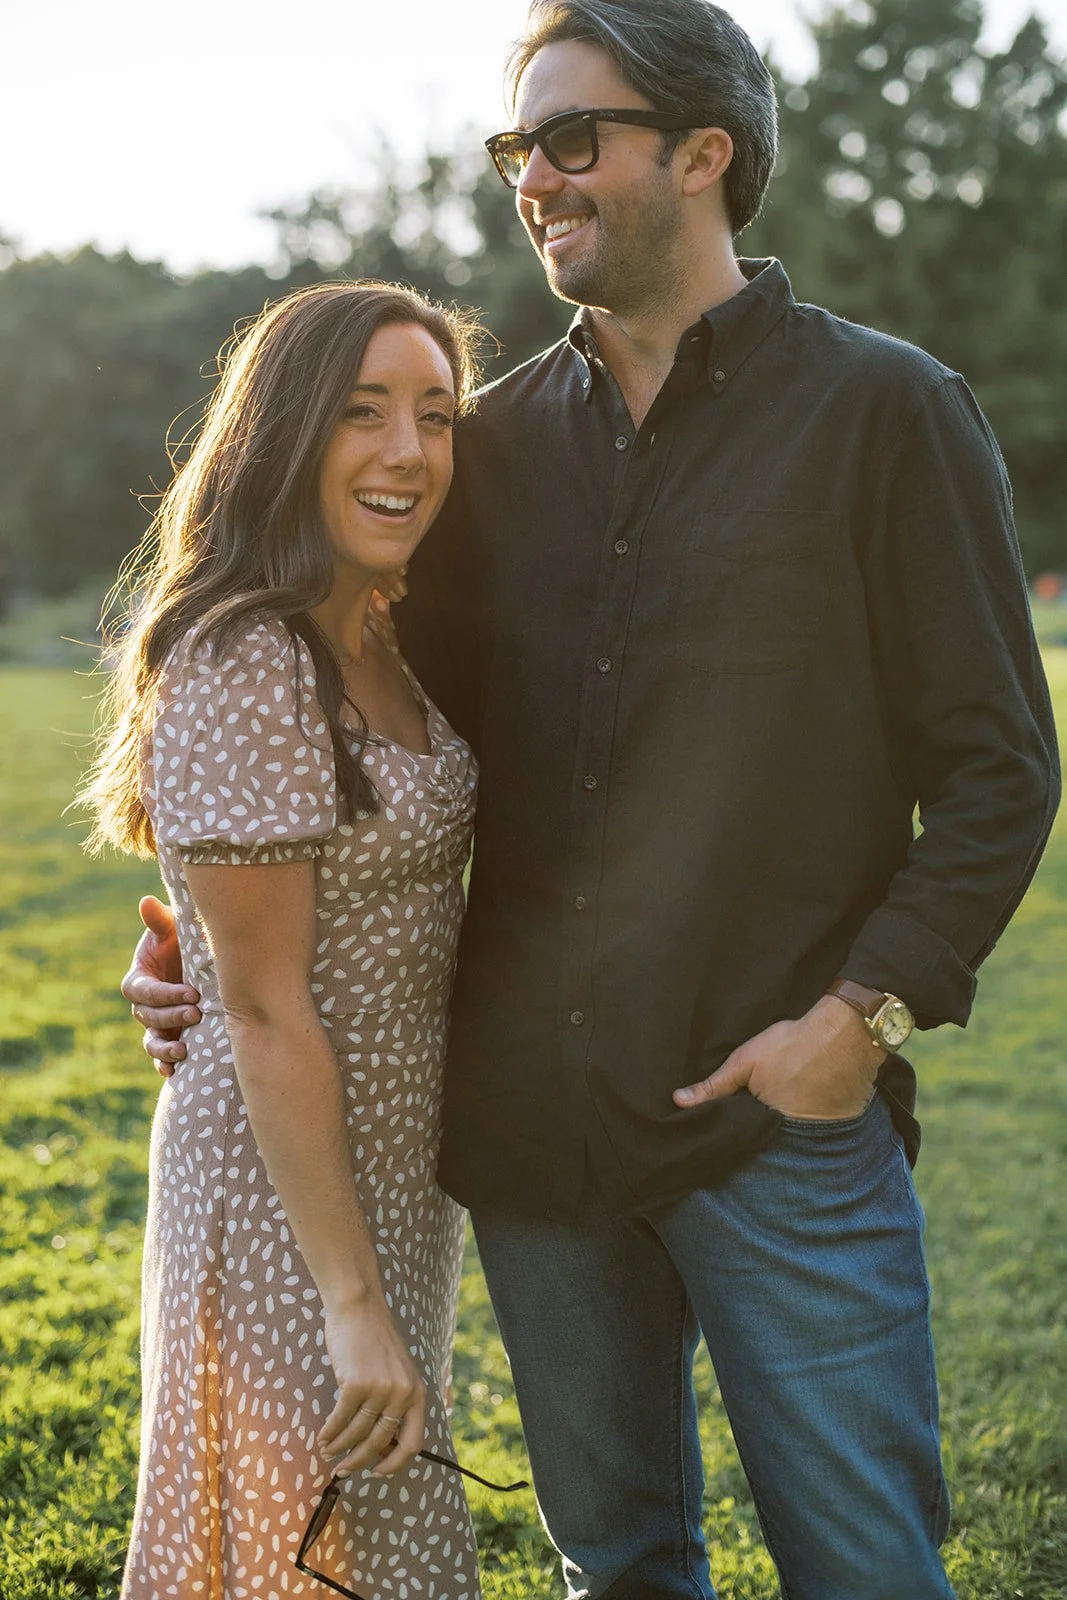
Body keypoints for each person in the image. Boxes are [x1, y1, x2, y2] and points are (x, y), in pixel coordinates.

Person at [123, 3, 1061, 1597]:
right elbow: (354, 753)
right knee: (614, 1564)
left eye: (571, 140)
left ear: (702, 154)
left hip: (777, 1120)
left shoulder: (886, 414)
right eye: (516, 150)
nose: (533, 179)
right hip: (533, 1136)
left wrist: (856, 1022)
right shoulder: (485, 457)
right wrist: (204, 958)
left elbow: (998, 769)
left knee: (864, 1568)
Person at [87, 281, 486, 1597]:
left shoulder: (379, 628)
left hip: (390, 1161)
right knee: (304, 1540)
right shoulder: (251, 653)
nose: (406, 451)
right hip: (283, 1193)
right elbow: (260, 1010)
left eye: (435, 415)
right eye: (363, 412)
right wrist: (350, 1301)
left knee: (375, 1536)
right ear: (285, 432)